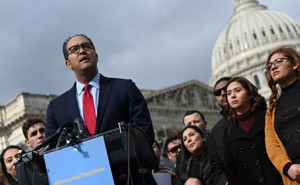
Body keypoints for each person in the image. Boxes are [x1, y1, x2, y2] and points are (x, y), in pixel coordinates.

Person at [45, 34, 156, 185]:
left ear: (96, 56)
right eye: (74, 49)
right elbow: (53, 153)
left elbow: (144, 133)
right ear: (68, 64)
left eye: (86, 46)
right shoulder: (56, 107)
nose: (82, 51)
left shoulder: (124, 88)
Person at [223, 77, 283, 185]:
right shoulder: (228, 130)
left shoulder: (269, 116)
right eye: (228, 93)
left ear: (250, 94)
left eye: (237, 90)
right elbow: (230, 167)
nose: (232, 96)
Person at [264, 46, 300, 184]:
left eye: (279, 61)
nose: (273, 67)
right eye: (270, 65)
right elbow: (272, 145)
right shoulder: (271, 110)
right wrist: (287, 167)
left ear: (295, 64)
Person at [208, 77, 231, 185]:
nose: (222, 93)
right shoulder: (215, 133)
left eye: (226, 89)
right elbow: (215, 167)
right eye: (217, 93)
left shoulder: (261, 116)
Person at [22, 118, 49, 185]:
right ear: (27, 142)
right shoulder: (25, 166)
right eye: (34, 134)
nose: (40, 135)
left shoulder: (64, 152)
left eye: (42, 131)